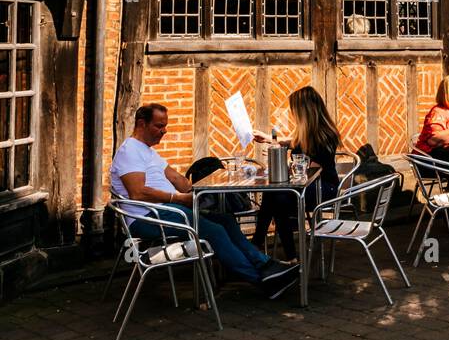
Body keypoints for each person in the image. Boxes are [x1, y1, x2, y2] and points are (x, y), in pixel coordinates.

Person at [110, 103, 297, 298]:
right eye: (159, 126)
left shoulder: (148, 151)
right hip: (148, 218)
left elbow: (177, 179)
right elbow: (138, 193)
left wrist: (201, 192)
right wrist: (180, 198)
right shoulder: (130, 151)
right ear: (141, 124)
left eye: (165, 126)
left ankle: (266, 265)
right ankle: (262, 281)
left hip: (169, 209)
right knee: (213, 231)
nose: (164, 131)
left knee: (226, 220)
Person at [252, 86, 340, 262]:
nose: (293, 115)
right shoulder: (311, 133)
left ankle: (262, 245)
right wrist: (270, 138)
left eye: (295, 111)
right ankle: (269, 247)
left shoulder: (324, 137)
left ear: (305, 111)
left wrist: (284, 164)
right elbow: (295, 143)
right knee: (274, 196)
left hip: (324, 188)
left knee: (277, 199)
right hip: (311, 185)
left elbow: (310, 172)